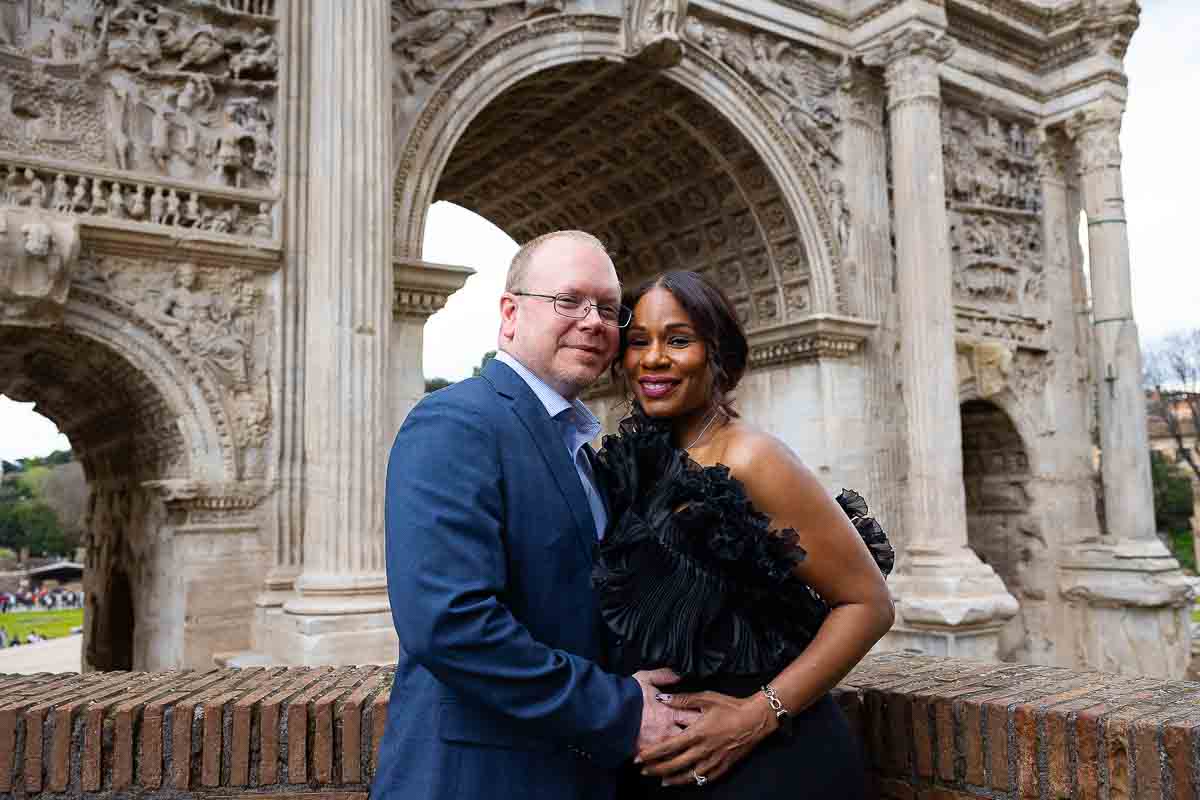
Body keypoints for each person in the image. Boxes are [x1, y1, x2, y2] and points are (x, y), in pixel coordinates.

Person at [373, 231, 697, 800]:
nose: (594, 321)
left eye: (608, 308)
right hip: (474, 780)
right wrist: (620, 709)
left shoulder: (583, 452)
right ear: (509, 314)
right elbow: (450, 624)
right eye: (569, 301)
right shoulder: (455, 422)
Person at [593, 270, 896, 797]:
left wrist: (755, 716)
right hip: (672, 764)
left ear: (719, 355)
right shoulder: (641, 457)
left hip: (768, 764)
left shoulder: (753, 458)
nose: (653, 358)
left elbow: (868, 605)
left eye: (679, 340)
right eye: (638, 341)